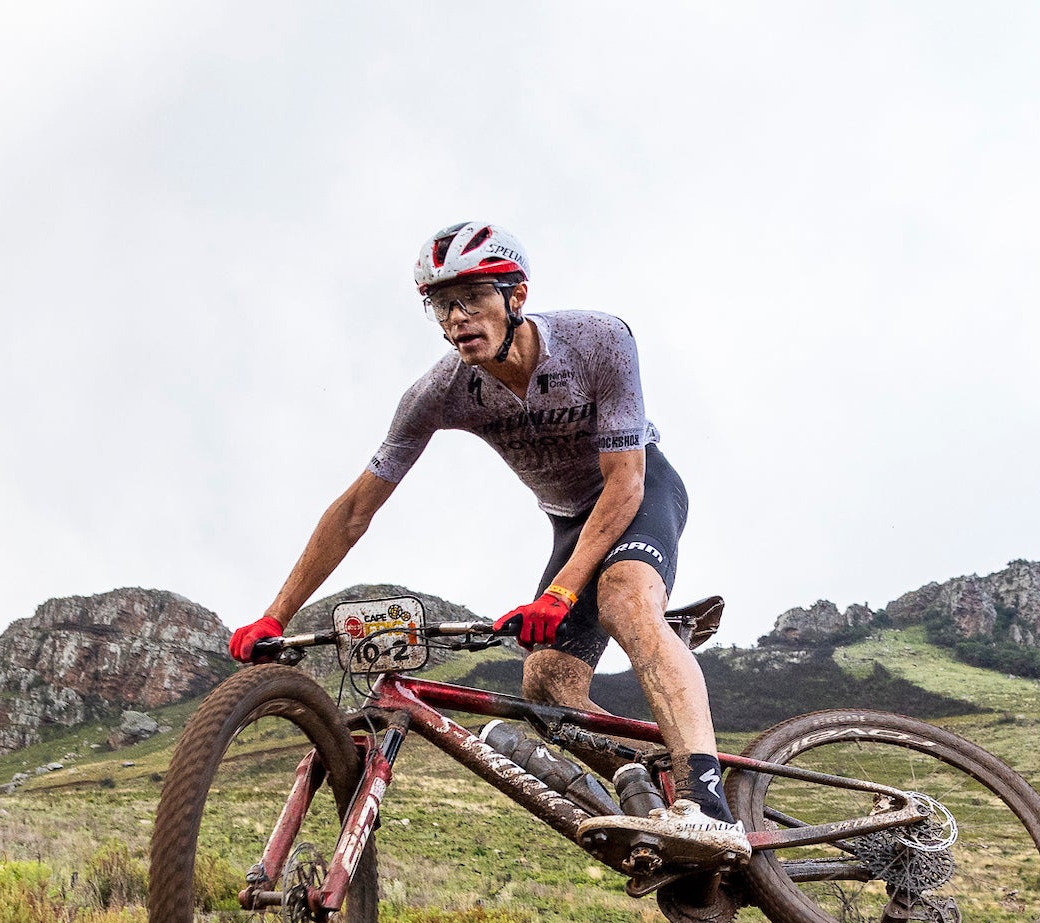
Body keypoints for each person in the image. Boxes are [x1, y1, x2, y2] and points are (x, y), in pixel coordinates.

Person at [225, 221, 745, 863]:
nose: (456, 318)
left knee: (623, 599)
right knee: (546, 687)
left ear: (516, 296)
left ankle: (710, 808)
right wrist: (276, 614)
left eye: (472, 297)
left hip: (638, 492)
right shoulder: (439, 392)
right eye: (441, 305)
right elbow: (356, 509)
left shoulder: (597, 341)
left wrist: (561, 593)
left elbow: (626, 482)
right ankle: (651, 781)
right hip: (568, 522)